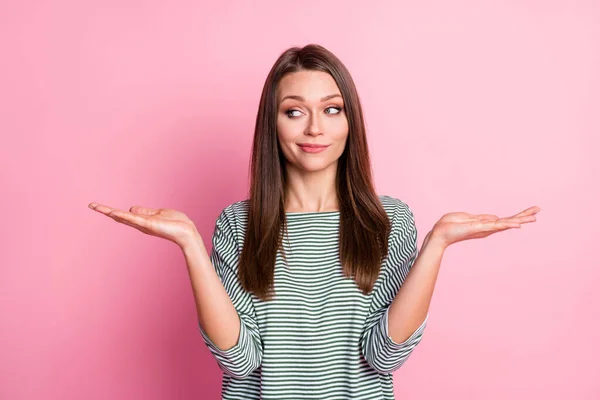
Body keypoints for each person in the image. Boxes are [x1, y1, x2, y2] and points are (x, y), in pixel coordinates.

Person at [88, 44, 540, 399]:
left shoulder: (389, 220)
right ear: (274, 122)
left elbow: (383, 355)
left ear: (349, 121)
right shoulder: (237, 224)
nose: (314, 130)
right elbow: (240, 361)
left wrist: (437, 244)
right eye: (294, 111)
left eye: (331, 109)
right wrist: (189, 243)